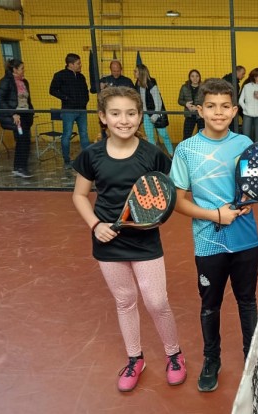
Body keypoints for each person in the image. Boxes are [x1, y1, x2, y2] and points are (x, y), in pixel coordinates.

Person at [71, 86, 186, 393]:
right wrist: (95, 225)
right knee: (124, 302)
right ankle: (135, 358)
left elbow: (168, 192)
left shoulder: (152, 154)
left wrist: (155, 215)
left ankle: (174, 354)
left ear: (140, 116)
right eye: (116, 113)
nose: (124, 120)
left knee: (157, 301)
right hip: (108, 241)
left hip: (146, 241)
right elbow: (80, 195)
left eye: (131, 113)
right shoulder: (91, 155)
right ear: (103, 117)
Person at [169, 78, 258, 393]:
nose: (218, 113)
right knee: (211, 304)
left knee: (247, 301)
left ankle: (252, 357)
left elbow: (253, 189)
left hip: (247, 240)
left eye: (225, 107)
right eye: (211, 106)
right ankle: (212, 360)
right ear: (200, 110)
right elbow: (178, 201)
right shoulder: (186, 150)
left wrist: (249, 203)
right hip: (209, 242)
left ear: (235, 110)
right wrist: (214, 215)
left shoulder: (245, 144)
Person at [49, 53, 91, 169]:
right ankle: (67, 160)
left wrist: (85, 101)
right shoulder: (60, 75)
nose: (80, 65)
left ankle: (87, 159)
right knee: (67, 135)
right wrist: (66, 98)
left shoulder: (81, 77)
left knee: (84, 134)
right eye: (78, 63)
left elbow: (85, 91)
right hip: (68, 110)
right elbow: (52, 90)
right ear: (71, 64)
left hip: (82, 110)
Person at [0, 59, 34, 178]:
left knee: (25, 141)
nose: (24, 70)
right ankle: (20, 167)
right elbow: (0, 100)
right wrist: (13, 113)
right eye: (21, 68)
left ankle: (19, 167)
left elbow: (27, 99)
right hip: (15, 116)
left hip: (25, 114)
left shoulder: (24, 82)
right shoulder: (5, 81)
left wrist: (31, 111)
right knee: (22, 140)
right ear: (14, 69)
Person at [134, 64, 174, 155]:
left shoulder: (151, 83)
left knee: (164, 135)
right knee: (150, 137)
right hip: (146, 114)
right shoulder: (138, 84)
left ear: (141, 72)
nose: (134, 73)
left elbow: (158, 102)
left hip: (156, 113)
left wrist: (155, 115)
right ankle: (155, 156)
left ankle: (172, 154)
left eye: (136, 71)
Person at [178, 69, 205, 140]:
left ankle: (202, 150)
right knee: (186, 136)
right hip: (189, 115)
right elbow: (180, 100)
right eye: (192, 76)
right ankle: (186, 150)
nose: (195, 78)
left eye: (197, 76)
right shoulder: (184, 87)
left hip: (201, 115)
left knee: (203, 136)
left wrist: (197, 108)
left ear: (199, 77)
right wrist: (186, 104)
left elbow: (207, 102)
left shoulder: (204, 88)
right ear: (189, 77)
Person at [223, 65, 246, 132]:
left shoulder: (226, 79)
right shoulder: (233, 83)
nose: (243, 75)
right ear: (237, 72)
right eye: (243, 73)